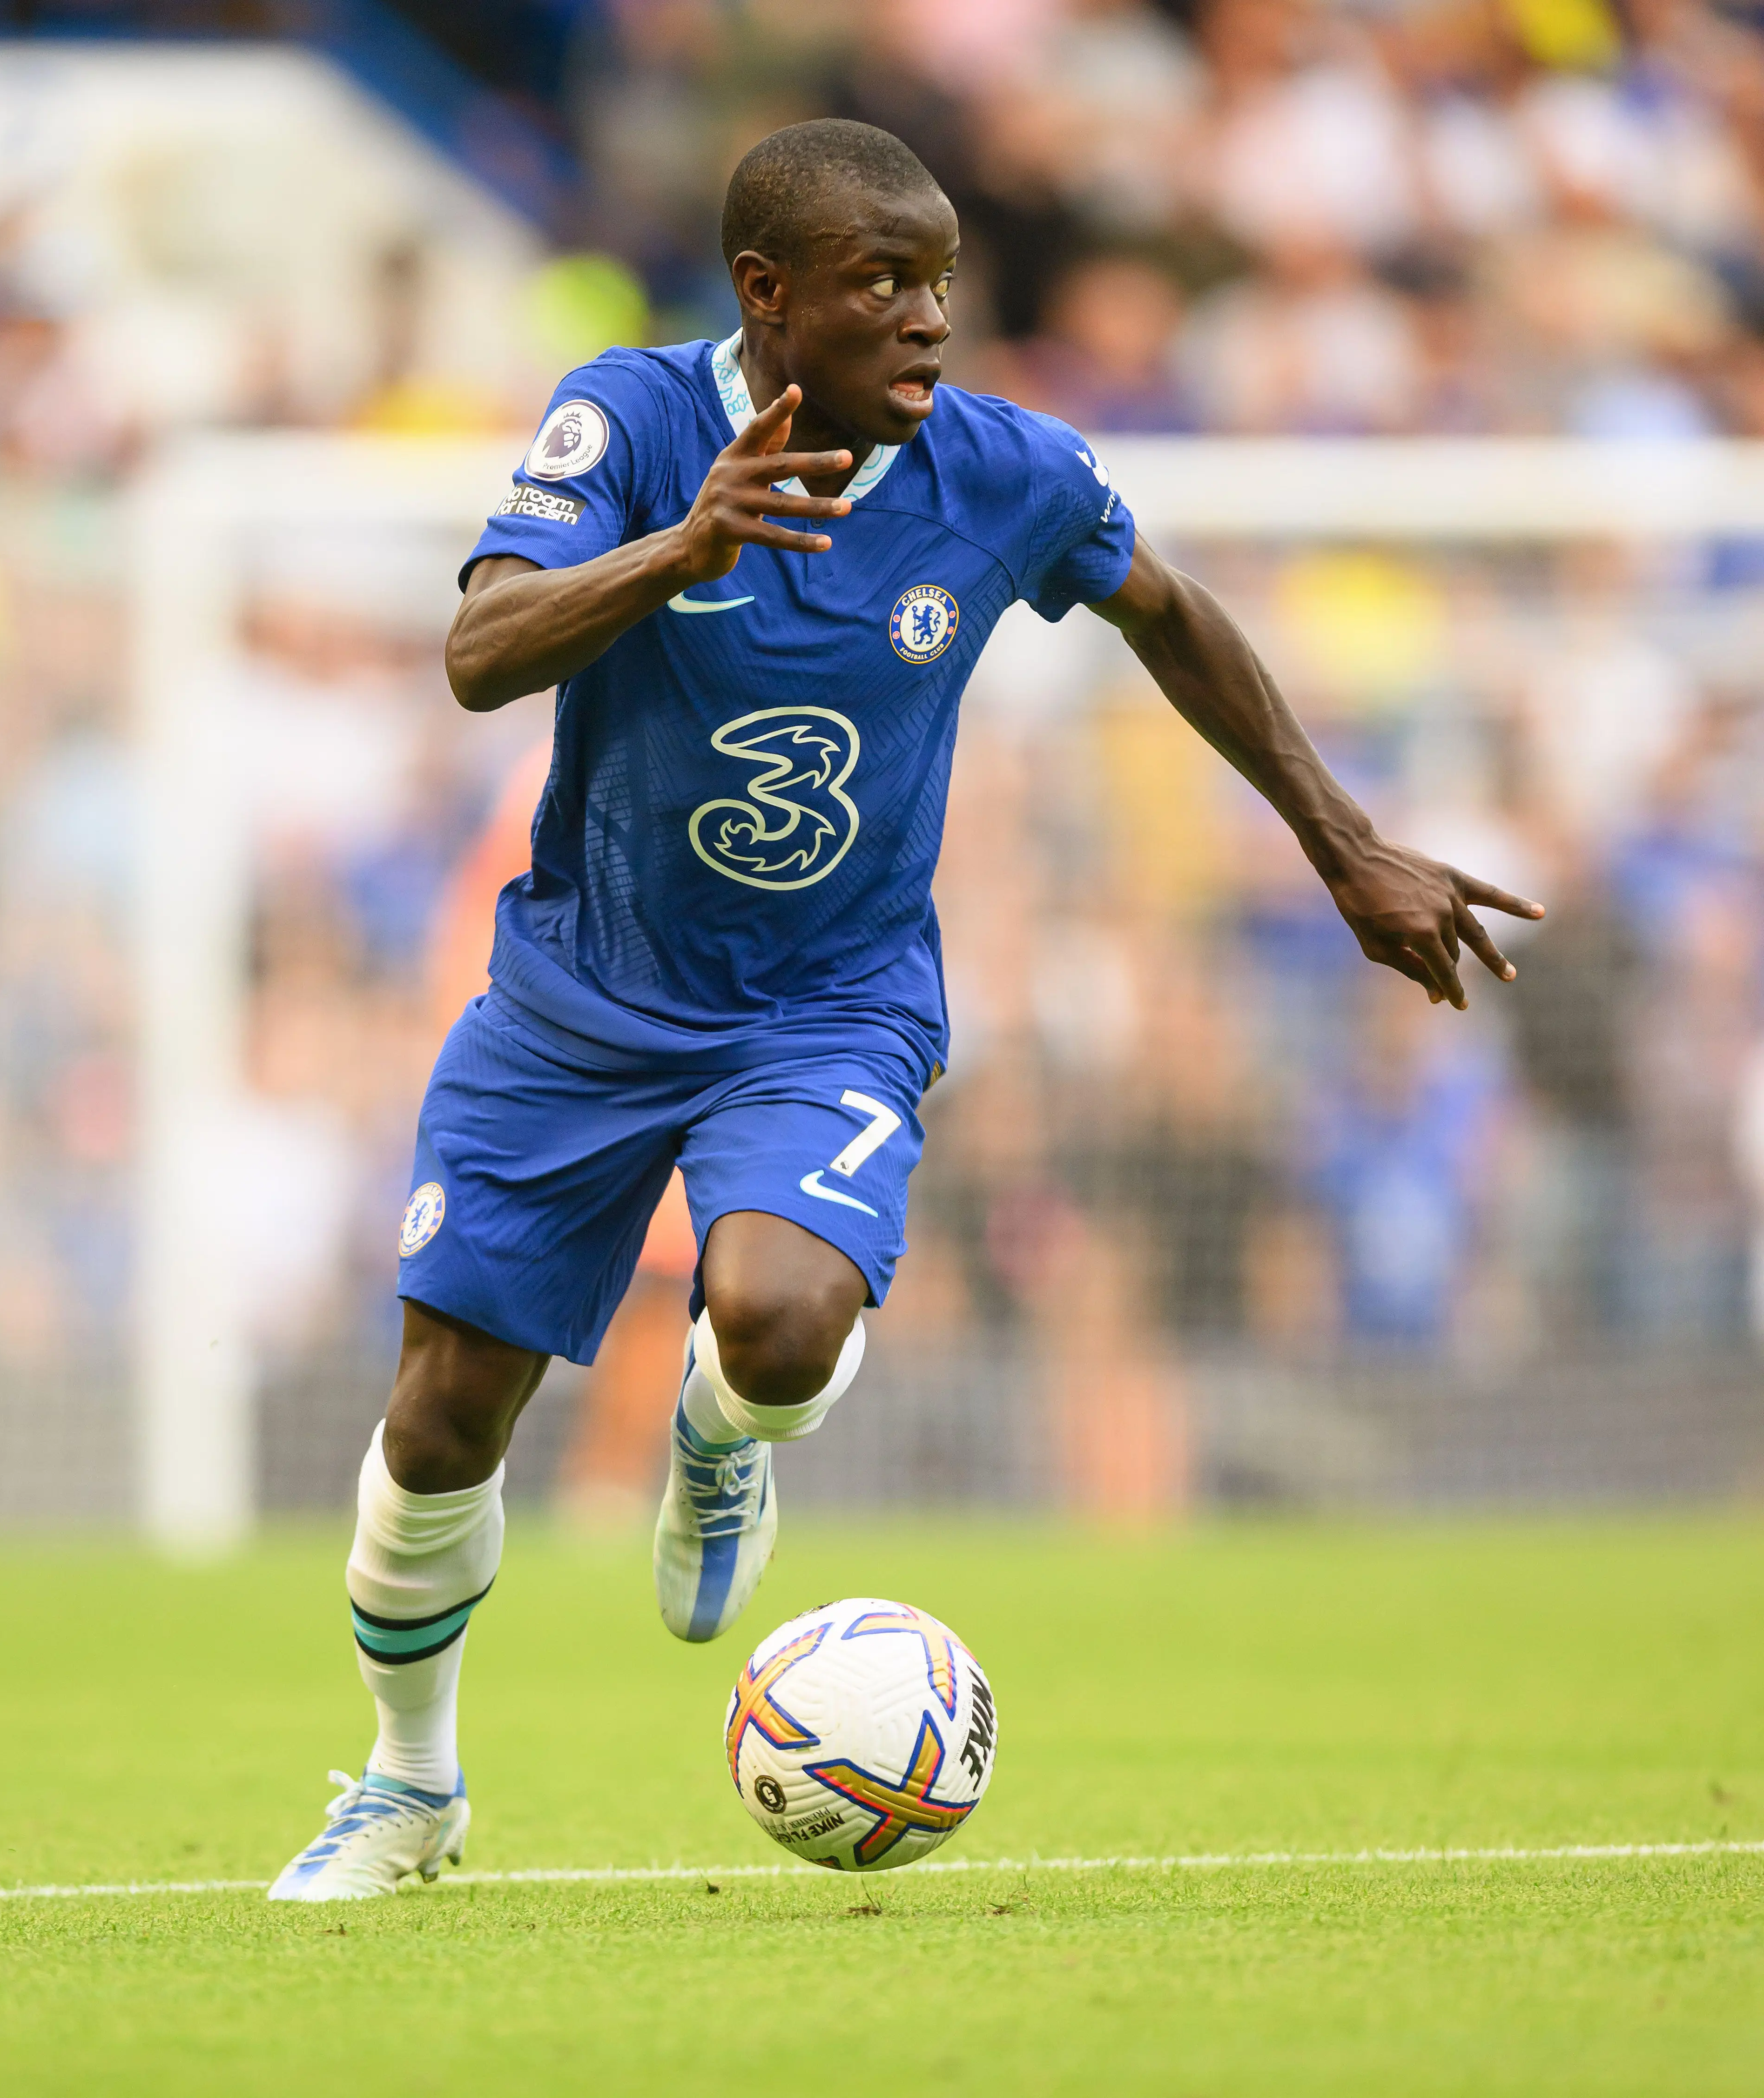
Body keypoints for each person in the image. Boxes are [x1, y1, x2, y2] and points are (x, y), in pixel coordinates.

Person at [267, 119, 1542, 1900]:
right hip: (580, 999)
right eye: (884, 284)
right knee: (440, 1420)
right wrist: (680, 549)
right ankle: (411, 1788)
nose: (931, 320)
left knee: (778, 1319)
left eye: (942, 283)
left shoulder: (1004, 473)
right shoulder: (631, 425)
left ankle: (725, 1440)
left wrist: (1346, 847)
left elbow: (1167, 611)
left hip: (827, 1003)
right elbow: (482, 652)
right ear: (767, 297)